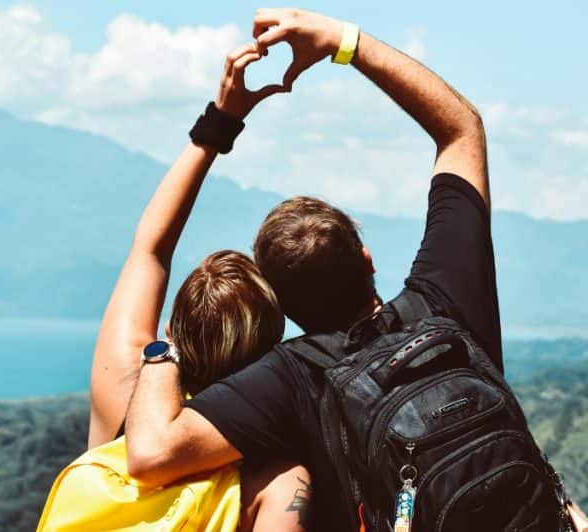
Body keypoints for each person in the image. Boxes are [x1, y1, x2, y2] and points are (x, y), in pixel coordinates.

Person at [122, 7, 542, 531]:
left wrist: (167, 349)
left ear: (283, 304)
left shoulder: (291, 379)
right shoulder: (446, 299)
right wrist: (344, 42)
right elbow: (461, 129)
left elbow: (150, 452)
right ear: (366, 260)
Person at [87, 42, 311, 530]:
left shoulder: (124, 390)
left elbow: (151, 248)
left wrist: (220, 124)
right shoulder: (277, 479)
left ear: (174, 326)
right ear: (272, 344)